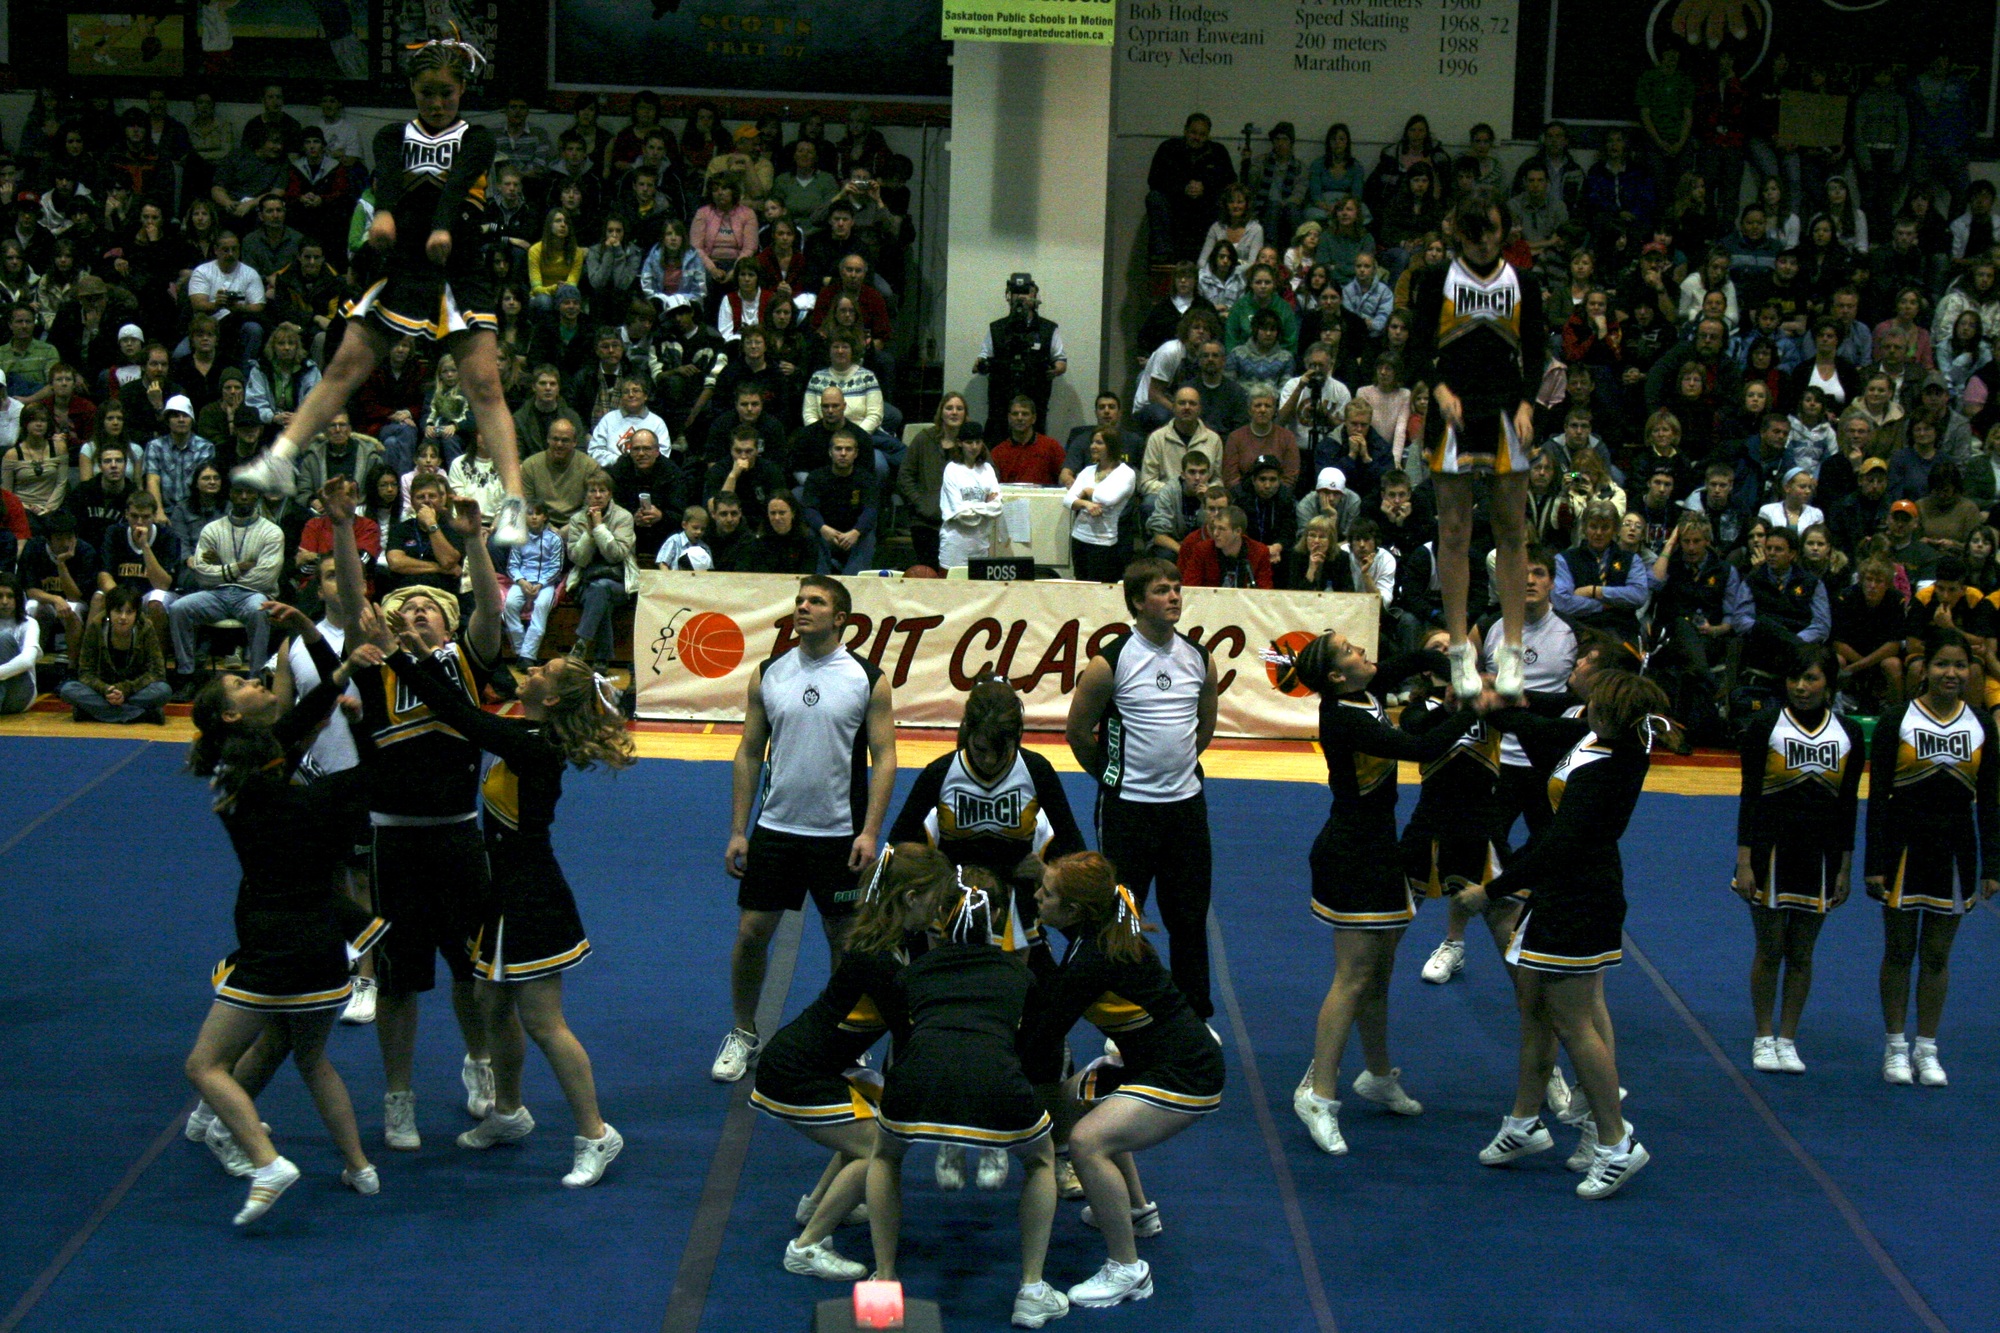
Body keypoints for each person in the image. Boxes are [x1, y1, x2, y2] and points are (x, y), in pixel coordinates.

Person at [233, 35, 529, 549]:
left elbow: (457, 184)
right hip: (402, 265)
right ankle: (281, 457)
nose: (436, 102)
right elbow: (388, 180)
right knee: (344, 367)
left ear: (462, 90)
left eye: (446, 93)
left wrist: (442, 227)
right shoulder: (392, 135)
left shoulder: (478, 137)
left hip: (458, 266)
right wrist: (385, 215)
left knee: (484, 386)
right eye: (427, 92)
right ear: (412, 89)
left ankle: (515, 502)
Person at [379, 605, 632, 1186]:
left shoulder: (533, 745)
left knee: (544, 1022)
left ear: (553, 697)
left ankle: (596, 1133)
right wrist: (422, 654)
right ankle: (509, 1112)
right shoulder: (527, 734)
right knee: (492, 1006)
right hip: (503, 891)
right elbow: (464, 703)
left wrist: (400, 656)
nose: (532, 670)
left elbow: (458, 713)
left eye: (543, 670)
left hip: (531, 895)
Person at [181, 601, 382, 1224]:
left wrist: (341, 671)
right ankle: (355, 1164)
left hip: (279, 928)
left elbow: (298, 722)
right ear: (231, 715)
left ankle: (259, 1155)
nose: (255, 678)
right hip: (315, 928)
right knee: (295, 1049)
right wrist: (360, 722)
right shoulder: (265, 783)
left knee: (209, 1062)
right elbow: (307, 737)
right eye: (242, 683)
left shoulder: (252, 769)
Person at [328, 486, 503, 1150]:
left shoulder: (466, 661)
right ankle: (398, 1095)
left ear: (448, 623)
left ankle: (479, 1062)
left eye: (429, 605)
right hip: (394, 841)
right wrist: (343, 527)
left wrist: (474, 539)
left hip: (458, 834)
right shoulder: (376, 670)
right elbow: (354, 601)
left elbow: (490, 606)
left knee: (470, 967)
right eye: (406, 606)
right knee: (399, 981)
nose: (417, 611)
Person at [1460, 671, 1674, 1199]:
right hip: (1563, 893)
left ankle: (1616, 1142)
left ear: (1613, 714)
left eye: (1595, 701)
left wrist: (1492, 890)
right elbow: (1536, 726)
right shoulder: (1593, 738)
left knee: (1574, 1023)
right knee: (1535, 1009)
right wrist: (1493, 707)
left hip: (1581, 901)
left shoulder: (1609, 768)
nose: (1585, 704)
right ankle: (1524, 1122)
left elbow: (1558, 845)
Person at [1266, 631, 1472, 1156]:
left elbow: (1408, 661)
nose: (1362, 651)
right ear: (1337, 676)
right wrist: (1475, 708)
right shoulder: (1344, 717)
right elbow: (1421, 748)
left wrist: (1450, 662)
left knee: (1378, 975)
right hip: (1351, 854)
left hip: (1378, 849)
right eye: (1350, 651)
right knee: (1353, 978)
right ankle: (1319, 1096)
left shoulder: (1364, 692)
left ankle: (1377, 1076)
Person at [889, 677, 1087, 1193]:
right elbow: (898, 848)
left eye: (1002, 751)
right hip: (949, 924)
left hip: (1020, 922)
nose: (991, 760)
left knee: (1041, 1034)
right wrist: (937, 874)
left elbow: (1075, 849)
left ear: (1017, 739)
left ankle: (1047, 1146)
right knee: (945, 1028)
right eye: (980, 749)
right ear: (965, 736)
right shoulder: (941, 773)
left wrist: (1047, 870)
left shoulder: (1036, 771)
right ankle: (951, 1133)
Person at [1023, 851, 1226, 1310]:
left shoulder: (1092, 959)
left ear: (1075, 910)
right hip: (1151, 1060)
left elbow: (1042, 1039)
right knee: (1071, 1100)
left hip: (1186, 1074)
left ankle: (1127, 1269)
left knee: (1086, 1142)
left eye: (1047, 892)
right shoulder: (1098, 929)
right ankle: (1135, 1211)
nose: (1037, 896)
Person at [713, 577, 897, 1082]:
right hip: (776, 829)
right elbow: (749, 753)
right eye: (799, 601)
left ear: (840, 618)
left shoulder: (868, 679)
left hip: (839, 834)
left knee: (844, 941)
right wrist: (738, 830)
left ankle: (843, 1038)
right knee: (752, 933)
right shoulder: (768, 674)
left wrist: (870, 831)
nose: (803, 607)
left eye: (815, 601)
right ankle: (743, 1031)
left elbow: (885, 758)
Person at [866, 874, 1066, 1331]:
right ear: (996, 917)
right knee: (1041, 1161)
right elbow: (1040, 1046)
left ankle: (884, 1280)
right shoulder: (1019, 974)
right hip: (995, 1081)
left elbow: (902, 1036)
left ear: (940, 916)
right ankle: (1032, 1290)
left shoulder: (913, 971)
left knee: (884, 1156)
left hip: (919, 1081)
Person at [753, 844, 953, 1280]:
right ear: (910, 898)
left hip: (819, 1064)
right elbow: (910, 1032)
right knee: (879, 1150)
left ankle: (817, 1206)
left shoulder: (894, 942)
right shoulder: (877, 960)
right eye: (936, 899)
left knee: (869, 1128)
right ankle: (806, 1247)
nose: (940, 909)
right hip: (796, 1073)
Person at [1066, 560, 1220, 1020]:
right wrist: (1113, 777)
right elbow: (1078, 732)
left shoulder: (1199, 658)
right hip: (1128, 810)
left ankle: (1194, 1016)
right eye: (1161, 590)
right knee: (1122, 919)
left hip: (1185, 808)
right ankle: (1125, 1016)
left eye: (1177, 588)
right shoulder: (1109, 663)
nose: (1174, 596)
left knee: (1189, 919)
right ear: (1137, 601)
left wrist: (1177, 769)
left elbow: (1204, 727)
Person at [1409, 191, 1542, 701]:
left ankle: (1512, 649)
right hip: (1454, 410)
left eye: (1491, 230)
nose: (1484, 240)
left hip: (1506, 410)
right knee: (1454, 531)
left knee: (1511, 531)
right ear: (1459, 233)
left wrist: (1528, 404)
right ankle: (1460, 649)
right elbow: (1417, 347)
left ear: (1504, 231)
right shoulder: (1436, 280)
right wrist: (1438, 390)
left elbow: (1537, 350)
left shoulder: (1523, 282)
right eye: (1474, 231)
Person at [1866, 626, 1999, 1088]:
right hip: (1903, 846)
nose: (1951, 673)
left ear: (1971, 671)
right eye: (1942, 664)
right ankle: (1895, 1046)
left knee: (1938, 955)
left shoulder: (1981, 725)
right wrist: (1874, 863)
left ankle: (1927, 1047)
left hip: (1955, 850)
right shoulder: (1896, 720)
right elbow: (1876, 799)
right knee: (1899, 951)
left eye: (1960, 665)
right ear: (1924, 669)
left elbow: (1991, 800)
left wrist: (1993, 865)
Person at [1733, 644, 1863, 1075]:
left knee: (1802, 953)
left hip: (1820, 854)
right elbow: (1750, 796)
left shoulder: (1848, 733)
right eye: (1794, 678)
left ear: (1829, 683)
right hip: (1770, 851)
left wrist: (1845, 866)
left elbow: (1848, 804)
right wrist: (1744, 861)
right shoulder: (1765, 725)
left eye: (1811, 678)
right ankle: (1763, 1035)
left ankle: (1787, 1039)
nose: (1801, 687)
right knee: (1770, 949)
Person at [975, 273, 1066, 440]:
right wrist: (982, 365)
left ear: (1034, 295)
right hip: (1001, 404)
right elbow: (983, 357)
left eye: (1026, 291)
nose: (1021, 297)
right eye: (1016, 292)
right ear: (1009, 296)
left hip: (1035, 400)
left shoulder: (1048, 328)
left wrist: (1054, 370)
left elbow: (1060, 360)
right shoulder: (996, 328)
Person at [62, 586, 170, 724]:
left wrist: (125, 689)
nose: (123, 617)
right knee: (68, 690)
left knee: (163, 690)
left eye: (129, 612)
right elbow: (85, 672)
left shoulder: (146, 628)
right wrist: (106, 689)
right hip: (103, 690)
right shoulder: (96, 627)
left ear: (136, 614)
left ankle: (91, 712)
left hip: (135, 690)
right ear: (109, 612)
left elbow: (157, 672)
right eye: (118, 611)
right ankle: (143, 715)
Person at [1064, 431, 1136, 583]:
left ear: (1111, 446)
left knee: (1101, 588)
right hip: (1079, 537)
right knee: (1081, 585)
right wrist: (1086, 503)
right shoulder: (1087, 471)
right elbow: (1068, 500)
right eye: (1092, 442)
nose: (1093, 446)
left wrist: (1087, 491)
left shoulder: (1126, 473)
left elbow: (1109, 499)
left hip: (1104, 542)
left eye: (1099, 442)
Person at [938, 431, 1003, 568]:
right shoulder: (952, 469)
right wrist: (985, 507)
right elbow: (961, 514)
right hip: (954, 546)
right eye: (969, 442)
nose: (974, 447)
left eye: (978, 442)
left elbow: (997, 508)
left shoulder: (987, 469)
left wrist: (969, 507)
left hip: (980, 546)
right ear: (959, 443)